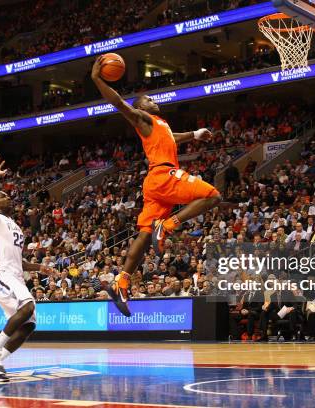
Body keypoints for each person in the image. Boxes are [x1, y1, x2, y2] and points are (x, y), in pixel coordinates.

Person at [91, 56, 221, 315]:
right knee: (213, 195)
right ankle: (169, 225)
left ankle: (121, 280)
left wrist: (194, 135)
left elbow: (174, 138)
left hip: (155, 184)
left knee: (144, 234)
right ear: (141, 108)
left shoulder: (161, 126)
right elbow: (119, 103)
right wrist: (96, 78)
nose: (154, 101)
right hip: (164, 176)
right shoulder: (143, 119)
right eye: (149, 100)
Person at [0, 156, 49, 382]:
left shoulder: (16, 227)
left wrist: (41, 267)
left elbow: (20, 261)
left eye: (7, 195)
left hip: (14, 275)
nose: (7, 197)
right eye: (1, 195)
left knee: (30, 324)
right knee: (28, 306)